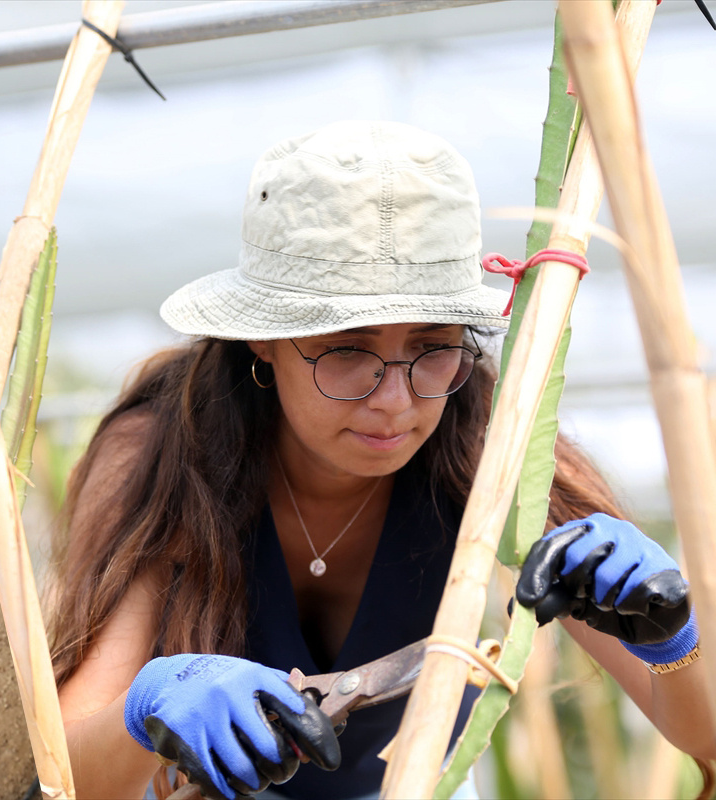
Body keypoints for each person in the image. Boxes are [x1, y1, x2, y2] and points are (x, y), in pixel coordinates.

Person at [46, 121, 715, 800]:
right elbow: (65, 774)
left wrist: (673, 641)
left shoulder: (493, 446)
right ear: (264, 340)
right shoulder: (162, 454)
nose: (396, 402)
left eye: (433, 346)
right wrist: (147, 707)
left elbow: (708, 741)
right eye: (346, 349)